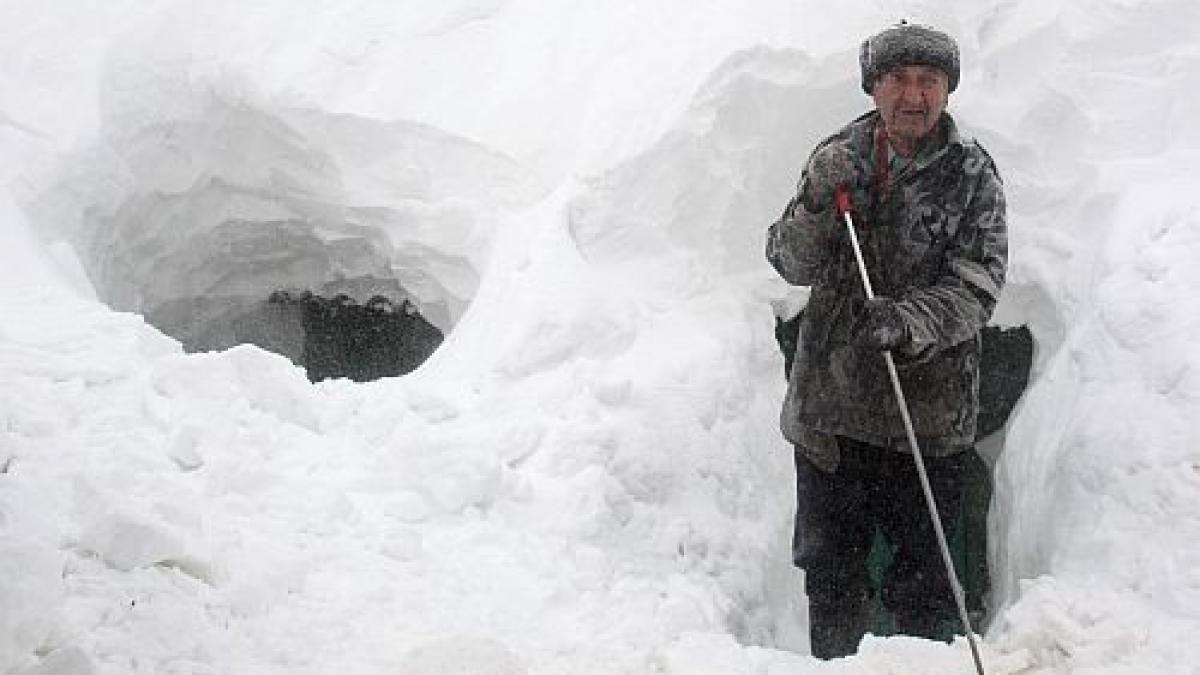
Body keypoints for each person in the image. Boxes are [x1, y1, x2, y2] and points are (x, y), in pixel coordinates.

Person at [765, 22, 1007, 659]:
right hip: (832, 421)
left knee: (924, 593)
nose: (914, 95)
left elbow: (978, 285)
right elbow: (790, 261)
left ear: (948, 91)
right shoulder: (837, 159)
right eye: (898, 79)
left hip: (927, 422)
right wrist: (816, 200)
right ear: (873, 87)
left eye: (929, 81)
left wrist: (910, 321)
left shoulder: (972, 176)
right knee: (833, 583)